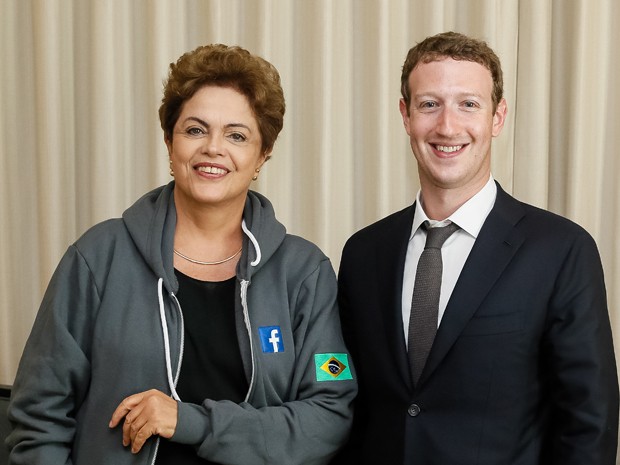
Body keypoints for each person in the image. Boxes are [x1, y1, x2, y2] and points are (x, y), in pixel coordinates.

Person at [6, 44, 356, 465]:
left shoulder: (304, 274)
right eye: (195, 130)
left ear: (262, 155)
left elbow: (329, 415)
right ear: (170, 143)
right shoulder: (98, 258)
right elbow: (38, 415)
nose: (213, 148)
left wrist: (191, 422)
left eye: (237, 135)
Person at [333, 31, 618, 464]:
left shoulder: (561, 250)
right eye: (430, 104)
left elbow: (589, 420)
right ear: (406, 115)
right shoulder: (363, 253)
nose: (448, 126)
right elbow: (346, 395)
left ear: (497, 117)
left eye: (469, 104)